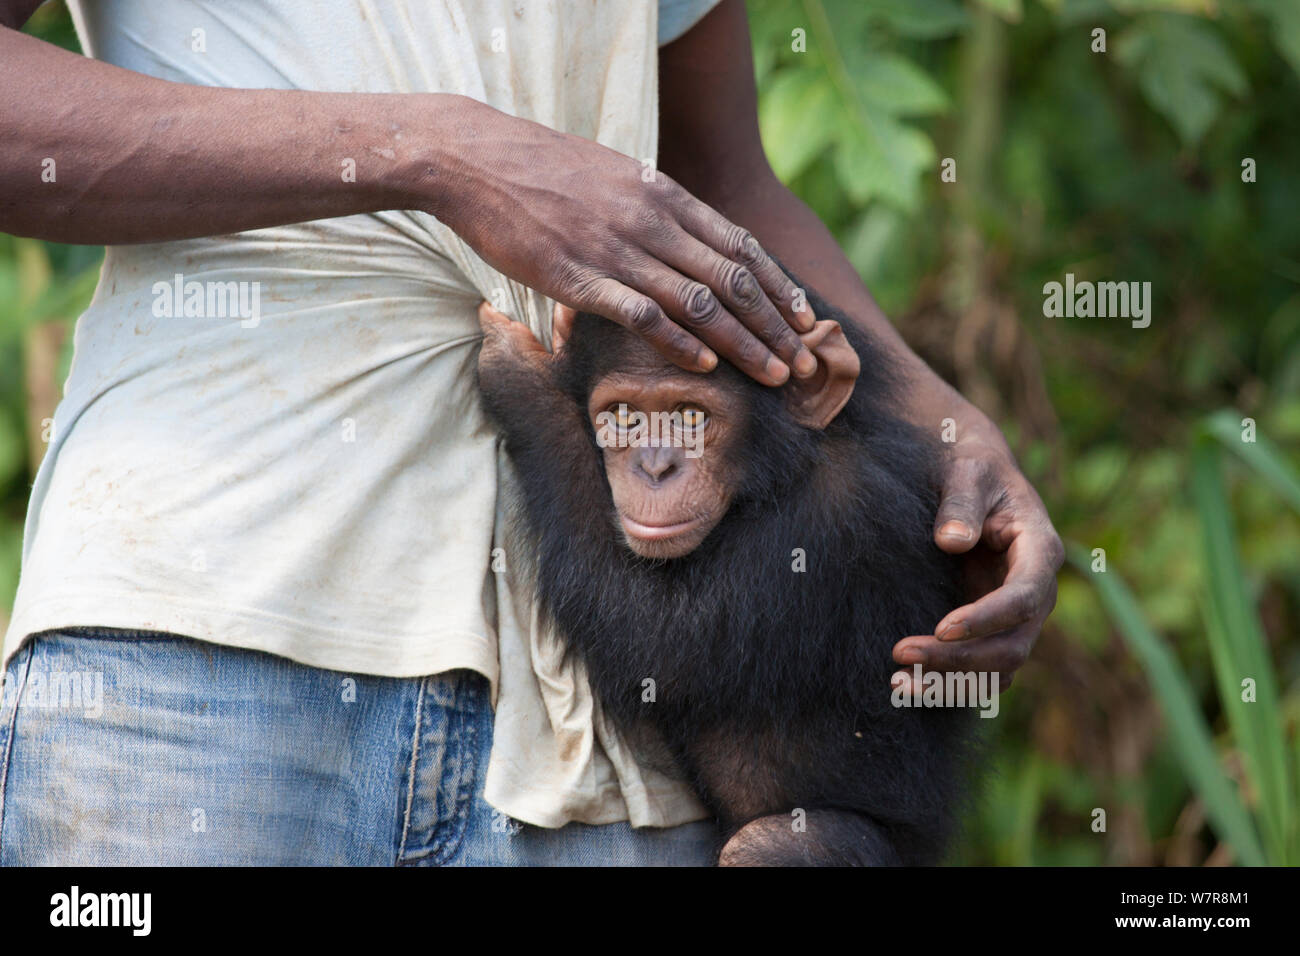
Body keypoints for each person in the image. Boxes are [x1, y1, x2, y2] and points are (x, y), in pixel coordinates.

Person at [0, 0, 1063, 865]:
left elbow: (721, 187)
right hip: (210, 609)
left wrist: (945, 428)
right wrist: (435, 150)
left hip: (607, 735)